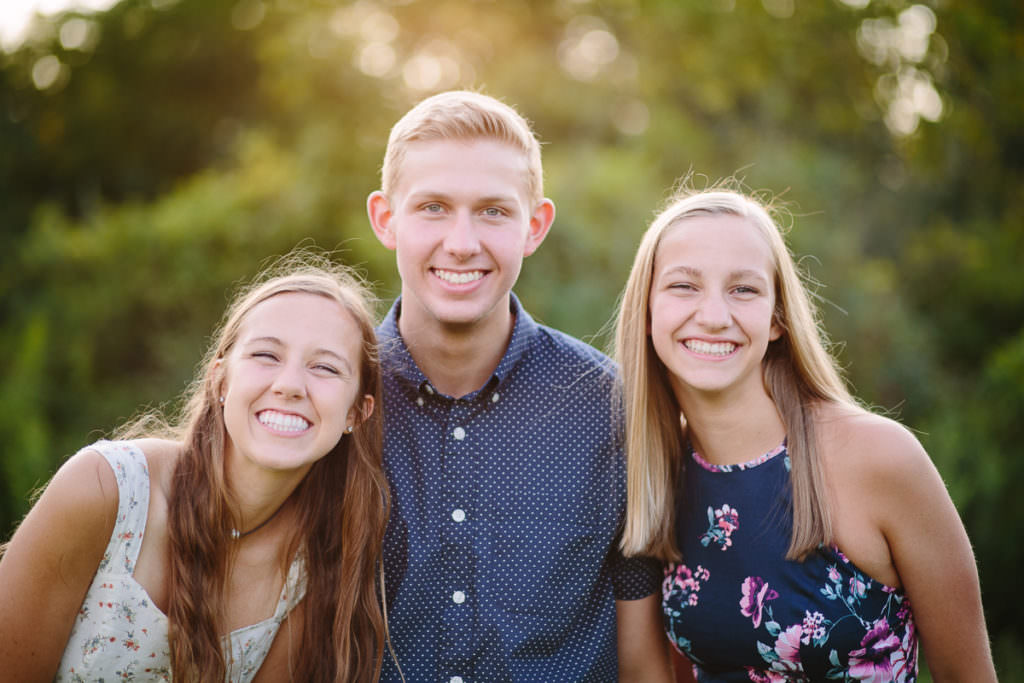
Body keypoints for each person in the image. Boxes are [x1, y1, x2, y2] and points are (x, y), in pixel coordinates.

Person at [613, 184, 998, 681]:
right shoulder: (654, 473)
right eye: (683, 286)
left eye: (743, 289)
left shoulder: (880, 458)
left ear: (777, 318)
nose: (712, 316)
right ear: (647, 311)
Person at [365, 90, 673, 682]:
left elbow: (642, 661)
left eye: (493, 211)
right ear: (386, 220)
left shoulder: (611, 410)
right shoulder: (335, 398)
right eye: (432, 207)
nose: (461, 242)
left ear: (534, 227)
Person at [0, 254, 390, 682]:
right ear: (221, 380)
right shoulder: (105, 489)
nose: (289, 385)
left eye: (325, 367)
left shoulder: (309, 569)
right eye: (266, 355)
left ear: (357, 411)